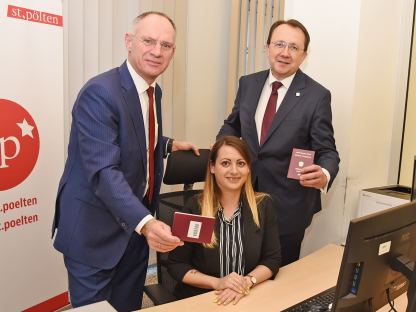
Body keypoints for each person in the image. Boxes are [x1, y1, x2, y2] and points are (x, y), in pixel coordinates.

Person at [52, 11, 198, 311]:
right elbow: (104, 169)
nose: (157, 51)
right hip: (95, 233)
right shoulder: (100, 92)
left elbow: (134, 130)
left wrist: (166, 143)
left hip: (133, 232)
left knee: (128, 305)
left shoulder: (152, 91)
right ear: (128, 42)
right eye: (148, 41)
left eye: (166, 45)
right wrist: (146, 223)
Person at [217, 19, 340, 266]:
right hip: (242, 194)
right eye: (279, 44)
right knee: (238, 265)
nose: (285, 53)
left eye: (294, 47)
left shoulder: (317, 96)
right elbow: (233, 124)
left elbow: (327, 150)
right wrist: (221, 150)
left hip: (288, 205)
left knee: (280, 276)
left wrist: (324, 173)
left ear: (304, 55)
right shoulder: (248, 83)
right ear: (267, 47)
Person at [168, 136, 281, 305]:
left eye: (241, 163)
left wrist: (247, 282)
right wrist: (218, 283)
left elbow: (272, 259)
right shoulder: (195, 208)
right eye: (226, 163)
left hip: (246, 296)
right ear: (212, 167)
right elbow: (177, 264)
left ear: (249, 168)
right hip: (203, 298)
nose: (234, 171)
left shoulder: (263, 205)